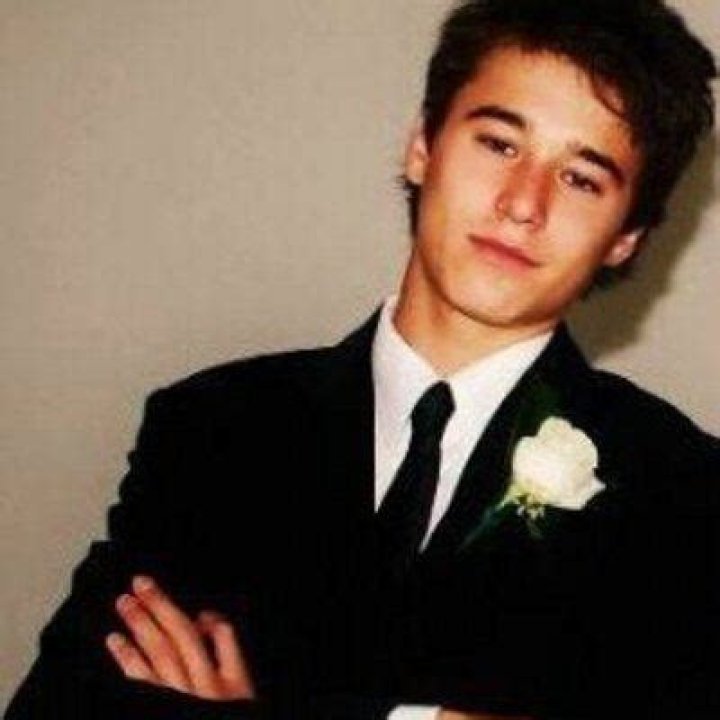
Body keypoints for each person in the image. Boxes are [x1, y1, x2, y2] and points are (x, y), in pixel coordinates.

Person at [6, 0, 719, 718]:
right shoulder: (212, 427)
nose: (523, 203)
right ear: (422, 147)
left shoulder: (682, 490)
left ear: (626, 237)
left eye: (581, 179)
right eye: (500, 144)